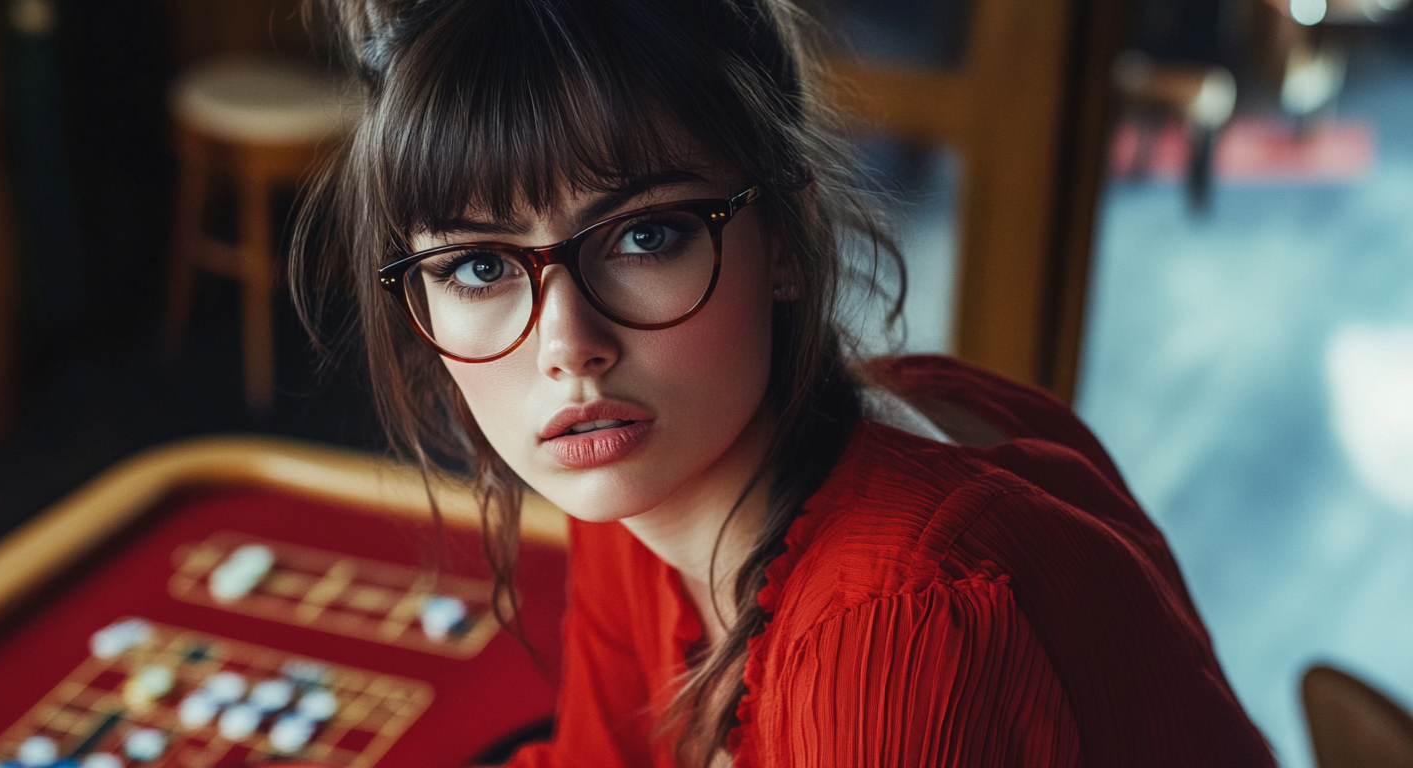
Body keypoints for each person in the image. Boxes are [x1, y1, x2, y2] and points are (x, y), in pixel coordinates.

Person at [293, 0, 1277, 765]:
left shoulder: (901, 624)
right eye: (478, 266)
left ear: (785, 240)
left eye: (646, 235)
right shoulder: (641, 466)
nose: (569, 345)